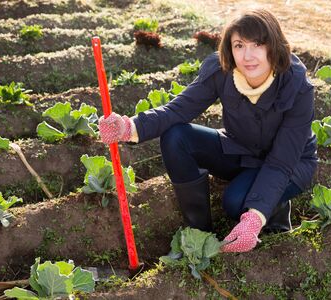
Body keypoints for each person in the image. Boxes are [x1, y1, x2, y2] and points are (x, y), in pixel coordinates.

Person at [98, 8, 317, 253]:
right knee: (176, 136)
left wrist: (252, 219)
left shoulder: (297, 86)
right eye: (239, 45)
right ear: (229, 49)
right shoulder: (221, 70)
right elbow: (177, 111)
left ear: (273, 46)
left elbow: (281, 162)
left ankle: (272, 212)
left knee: (235, 203)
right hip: (241, 149)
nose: (248, 56)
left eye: (258, 44)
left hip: (290, 163)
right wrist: (129, 127)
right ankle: (200, 234)